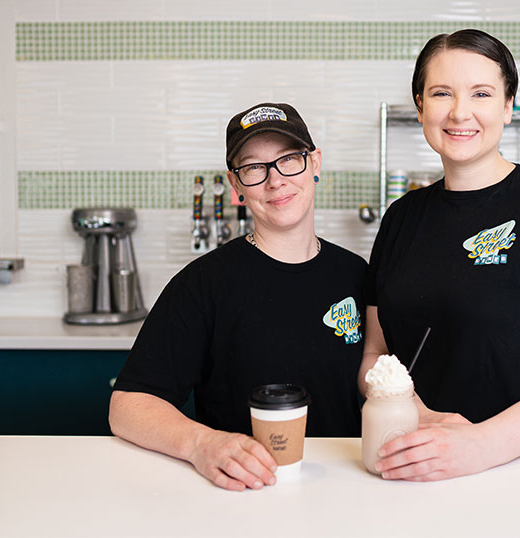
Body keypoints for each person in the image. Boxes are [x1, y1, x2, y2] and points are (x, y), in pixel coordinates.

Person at [358, 29, 520, 482]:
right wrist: (417, 417)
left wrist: (482, 445)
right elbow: (377, 356)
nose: (460, 112)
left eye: (481, 93)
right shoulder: (401, 218)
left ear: (507, 106)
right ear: (421, 106)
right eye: (442, 93)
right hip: (417, 467)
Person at [110, 103, 366, 492]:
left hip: (347, 491)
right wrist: (202, 443)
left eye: (289, 160)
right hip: (241, 493)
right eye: (254, 168)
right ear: (236, 185)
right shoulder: (202, 285)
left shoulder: (358, 276)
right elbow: (127, 406)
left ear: (314, 164)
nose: (275, 180)